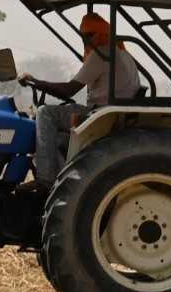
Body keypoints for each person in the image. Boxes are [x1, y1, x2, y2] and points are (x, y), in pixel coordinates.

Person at [21, 11, 141, 185]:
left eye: (88, 35)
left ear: (100, 33)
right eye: (83, 35)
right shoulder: (121, 53)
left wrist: (36, 82)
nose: (85, 40)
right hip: (109, 112)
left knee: (45, 112)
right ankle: (63, 182)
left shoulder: (102, 54)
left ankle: (45, 179)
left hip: (98, 114)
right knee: (54, 140)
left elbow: (69, 89)